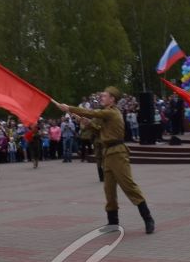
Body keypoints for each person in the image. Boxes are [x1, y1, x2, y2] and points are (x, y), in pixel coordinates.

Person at [54, 87, 155, 234]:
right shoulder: (107, 115)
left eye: (104, 96)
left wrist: (68, 108)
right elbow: (99, 129)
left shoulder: (112, 112)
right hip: (108, 153)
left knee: (129, 187)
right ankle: (113, 223)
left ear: (112, 99)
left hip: (118, 153)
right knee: (109, 190)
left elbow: (93, 113)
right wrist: (84, 121)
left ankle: (148, 219)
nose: (101, 97)